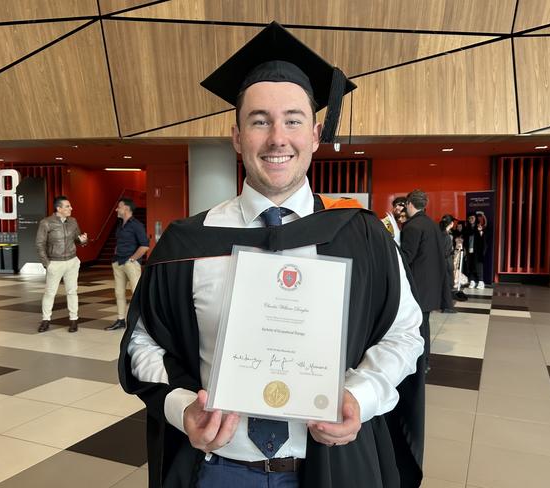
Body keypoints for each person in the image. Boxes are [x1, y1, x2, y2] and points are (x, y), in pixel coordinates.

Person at [118, 22, 425, 488]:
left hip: (333, 467)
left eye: (293, 120)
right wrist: (183, 407)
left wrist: (360, 397)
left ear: (316, 133)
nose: (278, 137)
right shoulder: (186, 243)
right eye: (260, 120)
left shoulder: (362, 237)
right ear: (237, 136)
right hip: (220, 470)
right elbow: (142, 345)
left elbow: (405, 334)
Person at [400, 190, 446, 371]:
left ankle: (421, 363)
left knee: (417, 326)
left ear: (410, 204)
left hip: (418, 285)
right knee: (423, 325)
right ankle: (425, 361)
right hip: (431, 283)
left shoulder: (412, 226)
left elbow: (407, 256)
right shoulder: (432, 224)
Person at [35, 196, 88, 333]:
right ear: (59, 209)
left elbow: (77, 239)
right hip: (55, 262)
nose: (71, 208)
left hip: (72, 261)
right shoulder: (46, 223)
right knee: (50, 293)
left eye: (70, 206)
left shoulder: (73, 222)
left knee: (72, 291)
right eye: (67, 206)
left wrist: (82, 240)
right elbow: (39, 244)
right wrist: (47, 263)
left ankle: (74, 320)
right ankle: (46, 320)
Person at [106, 198, 150, 331]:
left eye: (118, 207)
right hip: (118, 262)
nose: (116, 209)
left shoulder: (136, 225)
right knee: (119, 293)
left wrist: (133, 259)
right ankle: (120, 320)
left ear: (126, 209)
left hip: (130, 263)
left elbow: (145, 246)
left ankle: (143, 322)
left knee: (136, 292)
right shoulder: (120, 225)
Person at [463, 212, 487, 288]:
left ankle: (481, 281)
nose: (471, 220)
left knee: (478, 265)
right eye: (469, 218)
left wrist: (480, 232)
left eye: (472, 218)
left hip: (478, 250)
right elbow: (465, 239)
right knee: (470, 265)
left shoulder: (479, 227)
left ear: (475, 218)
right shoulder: (467, 229)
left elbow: (483, 240)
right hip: (469, 250)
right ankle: (472, 281)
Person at [439, 214, 457, 313]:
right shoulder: (445, 236)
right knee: (448, 284)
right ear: (450, 223)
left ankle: (445, 305)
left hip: (445, 262)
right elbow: (445, 252)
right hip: (446, 263)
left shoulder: (441, 234)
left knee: (446, 284)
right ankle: (446, 306)